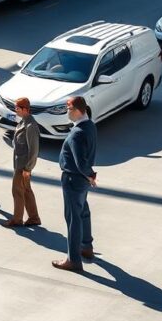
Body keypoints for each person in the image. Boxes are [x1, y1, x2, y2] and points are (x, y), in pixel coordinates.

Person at [53, 96, 97, 272]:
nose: (66, 112)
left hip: (73, 179)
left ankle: (73, 260)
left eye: (68, 109)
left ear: (78, 110)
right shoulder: (90, 126)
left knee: (73, 219)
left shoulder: (78, 133)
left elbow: (80, 162)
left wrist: (90, 175)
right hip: (82, 181)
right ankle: (86, 247)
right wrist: (89, 175)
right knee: (83, 212)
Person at [3, 97, 41, 227]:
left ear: (25, 109)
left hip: (23, 166)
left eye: (17, 108)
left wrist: (28, 168)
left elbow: (34, 150)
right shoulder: (23, 122)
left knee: (17, 191)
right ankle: (34, 218)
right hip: (21, 164)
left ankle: (17, 219)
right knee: (26, 190)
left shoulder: (30, 126)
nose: (15, 110)